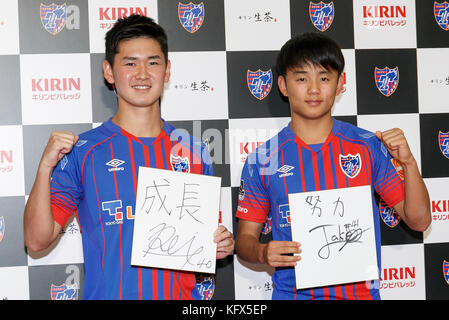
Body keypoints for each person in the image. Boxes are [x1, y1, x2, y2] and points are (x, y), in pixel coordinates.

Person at [23, 14, 234, 300]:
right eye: (130, 63)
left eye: (153, 62)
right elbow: (36, 240)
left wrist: (220, 242)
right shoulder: (84, 151)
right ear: (109, 72)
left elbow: (208, 237)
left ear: (167, 70)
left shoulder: (193, 151)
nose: (143, 74)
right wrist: (45, 168)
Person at [235, 32, 431, 300]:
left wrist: (408, 163)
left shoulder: (367, 146)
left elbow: (419, 221)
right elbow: (245, 239)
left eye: (324, 78)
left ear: (341, 83)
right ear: (283, 85)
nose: (314, 89)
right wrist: (261, 252)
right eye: (301, 78)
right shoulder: (262, 159)